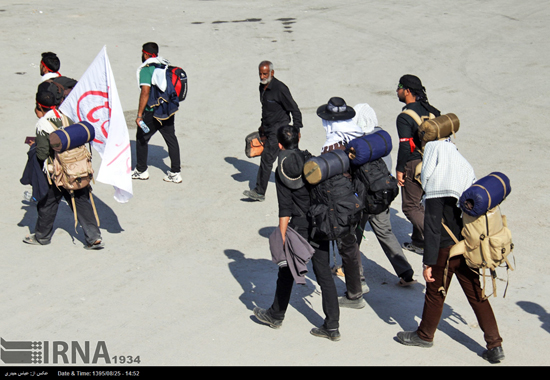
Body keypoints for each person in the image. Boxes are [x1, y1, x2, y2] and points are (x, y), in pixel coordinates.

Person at [396, 140, 505, 364]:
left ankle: (424, 335)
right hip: (466, 245)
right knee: (477, 294)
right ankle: (495, 345)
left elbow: (433, 229)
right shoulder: (464, 178)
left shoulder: (437, 186)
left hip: (444, 251)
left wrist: (428, 263)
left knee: (435, 293)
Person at [253, 125, 341, 341]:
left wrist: (282, 237)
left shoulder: (282, 166)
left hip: (300, 224)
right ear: (298, 138)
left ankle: (275, 315)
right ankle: (332, 326)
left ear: (280, 145)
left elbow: (285, 208)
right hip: (320, 221)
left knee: (287, 271)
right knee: (323, 275)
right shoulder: (310, 159)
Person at [23, 85, 104, 250]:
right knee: (81, 200)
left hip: (57, 173)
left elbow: (42, 154)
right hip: (76, 169)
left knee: (48, 203)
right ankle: (94, 237)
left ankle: (42, 237)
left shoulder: (43, 124)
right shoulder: (66, 115)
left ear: (39, 106)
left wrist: (35, 145)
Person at [352, 103, 416, 289]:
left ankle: (357, 276)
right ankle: (406, 273)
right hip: (382, 194)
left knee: (353, 236)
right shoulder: (381, 138)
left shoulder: (358, 144)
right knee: (385, 233)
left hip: (363, 197)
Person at [315, 97, 365, 309]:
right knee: (352, 245)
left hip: (340, 206)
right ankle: (357, 286)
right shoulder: (357, 140)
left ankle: (355, 294)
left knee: (347, 245)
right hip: (358, 200)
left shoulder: (330, 149)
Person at [243, 61, 302, 202]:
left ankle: (259, 192)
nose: (262, 76)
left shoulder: (280, 89)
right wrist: (262, 128)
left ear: (272, 73)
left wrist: (297, 129)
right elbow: (266, 110)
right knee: (287, 157)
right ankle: (299, 183)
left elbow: (294, 109)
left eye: (265, 73)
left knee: (267, 159)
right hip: (268, 128)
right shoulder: (262, 88)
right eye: (260, 73)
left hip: (279, 129)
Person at [395, 75, 441, 254]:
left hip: (414, 164)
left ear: (407, 91)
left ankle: (435, 241)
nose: (396, 91)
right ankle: (418, 241)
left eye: (399, 87)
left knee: (410, 206)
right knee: (422, 202)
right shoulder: (433, 112)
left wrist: (400, 169)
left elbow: (405, 146)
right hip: (434, 161)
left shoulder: (405, 117)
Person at [132, 42, 182, 183]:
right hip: (167, 109)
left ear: (145, 53)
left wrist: (140, 115)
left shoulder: (146, 69)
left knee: (141, 138)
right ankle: (175, 172)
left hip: (152, 112)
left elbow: (145, 92)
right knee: (171, 139)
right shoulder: (163, 65)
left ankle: (141, 170)